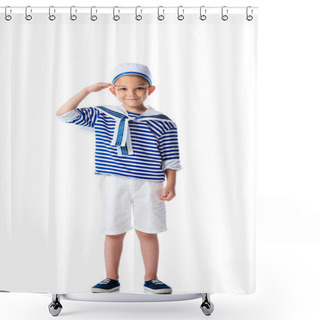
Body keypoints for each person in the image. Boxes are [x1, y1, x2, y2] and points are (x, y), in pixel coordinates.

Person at [56, 62, 182, 294]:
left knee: (148, 230)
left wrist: (171, 184)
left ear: (149, 90)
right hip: (113, 180)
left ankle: (151, 278)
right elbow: (64, 114)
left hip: (150, 182)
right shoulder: (102, 115)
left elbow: (170, 156)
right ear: (113, 91)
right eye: (122, 89)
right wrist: (86, 91)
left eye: (139, 89)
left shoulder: (163, 121)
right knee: (114, 230)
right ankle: (111, 278)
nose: (131, 94)